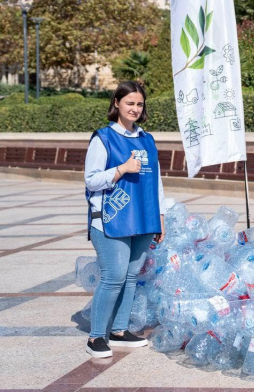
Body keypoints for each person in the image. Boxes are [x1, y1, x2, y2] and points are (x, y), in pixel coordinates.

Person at [84, 81, 166, 358]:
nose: (134, 108)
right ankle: (96, 336)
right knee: (113, 276)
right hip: (111, 219)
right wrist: (121, 169)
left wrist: (161, 216)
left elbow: (157, 182)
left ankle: (119, 330)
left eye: (139, 104)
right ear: (117, 103)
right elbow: (92, 180)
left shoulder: (147, 139)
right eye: (129, 102)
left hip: (143, 217)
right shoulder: (103, 138)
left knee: (131, 276)